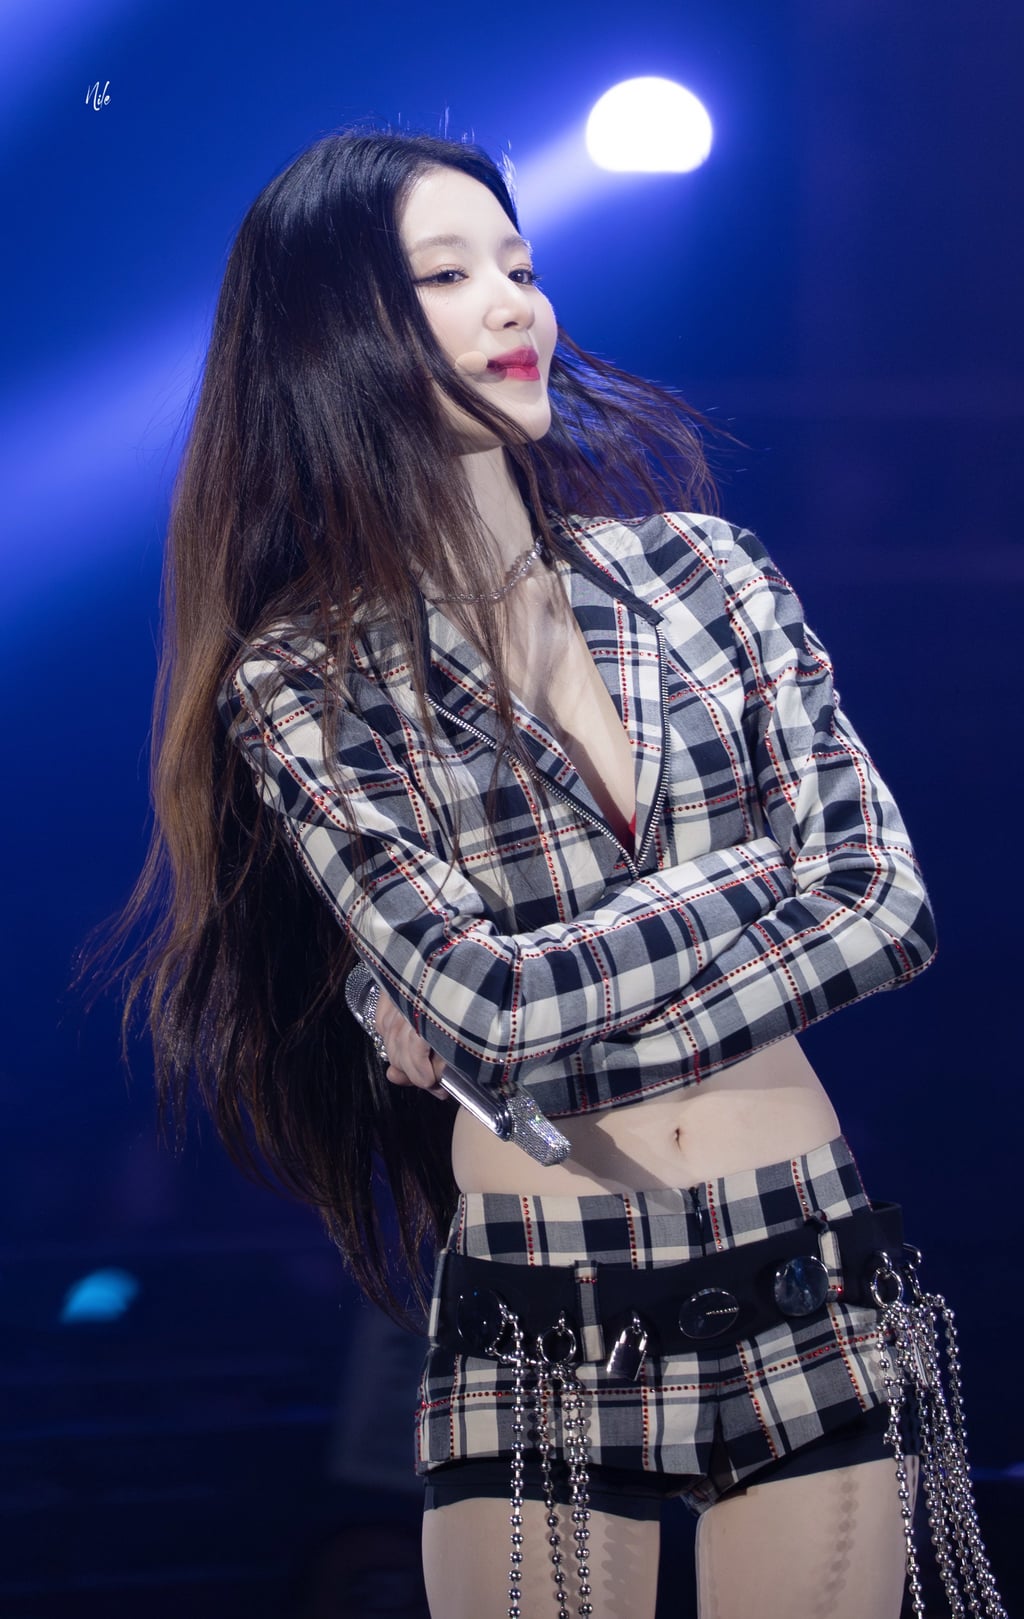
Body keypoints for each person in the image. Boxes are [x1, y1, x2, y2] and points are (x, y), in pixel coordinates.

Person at [116, 127, 947, 1619]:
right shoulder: (306, 679)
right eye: (447, 276)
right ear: (334, 334)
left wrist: (520, 1023)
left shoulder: (708, 573)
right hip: (540, 1301)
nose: (516, 304)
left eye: (521, 265)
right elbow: (494, 1009)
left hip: (805, 1254)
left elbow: (884, 907)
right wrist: (754, 881)